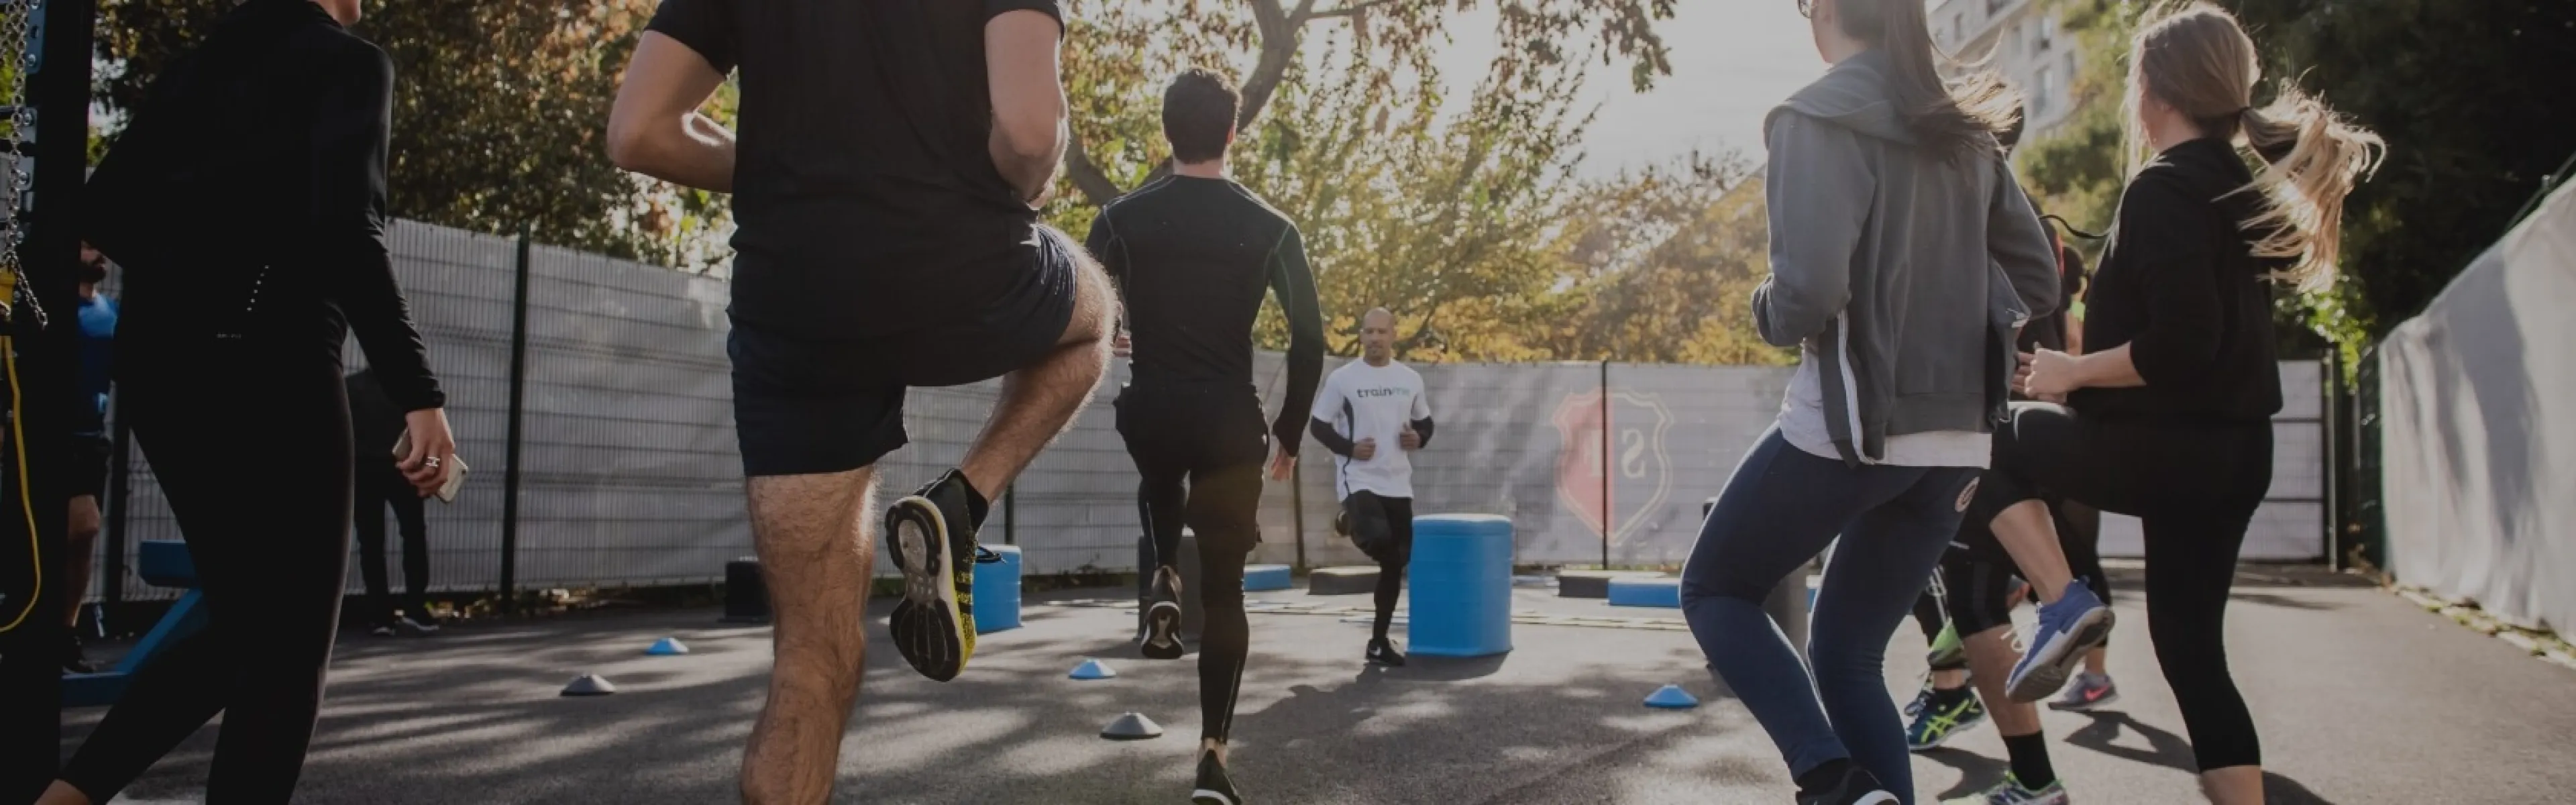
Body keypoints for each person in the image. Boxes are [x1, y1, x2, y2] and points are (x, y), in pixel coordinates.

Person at [606, 0, 1113, 800]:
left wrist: (800, 170)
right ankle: (963, 499)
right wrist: (1028, 181)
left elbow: (639, 131)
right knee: (1095, 320)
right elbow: (1026, 134)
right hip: (959, 268)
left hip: (797, 303)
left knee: (807, 655)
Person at [41, 0, 460, 802]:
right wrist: (420, 395)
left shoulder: (200, 64)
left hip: (161, 368)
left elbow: (106, 211)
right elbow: (347, 230)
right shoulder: (349, 60)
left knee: (246, 628)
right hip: (274, 362)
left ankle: (64, 797)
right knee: (291, 647)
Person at [1975, 5, 2382, 802]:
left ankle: (2063, 604)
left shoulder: (2165, 188)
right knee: (2192, 655)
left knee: (1996, 437)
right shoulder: (2236, 186)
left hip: (2174, 451)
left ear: (2150, 92)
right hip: (2234, 456)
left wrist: (2071, 372)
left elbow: (2183, 346)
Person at [1673, 0, 2058, 802]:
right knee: (1848, 654)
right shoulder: (1967, 133)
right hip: (1956, 442)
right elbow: (2038, 282)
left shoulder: (1811, 116)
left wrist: (1763, 307)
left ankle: (1827, 777)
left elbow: (1807, 294)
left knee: (1715, 588)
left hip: (1854, 431)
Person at [1089, 67, 1326, 804]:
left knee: (1159, 469)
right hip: (1230, 422)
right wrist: (1288, 431)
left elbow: (1081, 306)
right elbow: (1311, 339)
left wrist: (1115, 332)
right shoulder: (1273, 227)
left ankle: (1163, 569)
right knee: (1227, 597)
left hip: (1154, 409)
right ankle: (1213, 758)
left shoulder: (1121, 218)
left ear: (1167, 131)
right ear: (1233, 131)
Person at [1309, 308, 1433, 668]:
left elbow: (1426, 423)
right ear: (1361, 336)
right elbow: (1318, 426)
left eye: (1382, 332)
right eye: (1369, 332)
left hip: (1398, 482)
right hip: (1358, 478)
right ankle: (1353, 517)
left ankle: (1378, 642)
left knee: (1398, 561)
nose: (1375, 338)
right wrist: (1349, 449)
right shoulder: (1343, 379)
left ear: (1394, 335)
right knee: (1382, 545)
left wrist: (1418, 437)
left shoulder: (1410, 379)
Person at [60, 244, 117, 674]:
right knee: (78, 527)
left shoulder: (110, 312)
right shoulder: (40, 308)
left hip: (90, 438)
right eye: (89, 245)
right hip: (45, 437)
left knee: (82, 539)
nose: (101, 254)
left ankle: (65, 634)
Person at [347, 368, 438, 636]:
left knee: (371, 543)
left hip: (365, 471)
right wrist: (432, 469)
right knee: (413, 536)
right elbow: (428, 434)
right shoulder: (409, 387)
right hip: (404, 471)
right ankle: (415, 608)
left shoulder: (351, 387)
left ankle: (380, 615)